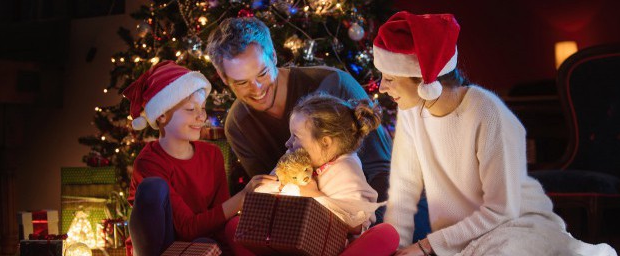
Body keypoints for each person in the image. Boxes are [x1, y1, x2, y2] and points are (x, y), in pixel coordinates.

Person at [374, 12, 618, 256]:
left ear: (422, 78)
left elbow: (500, 210)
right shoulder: (410, 113)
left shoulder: (485, 111)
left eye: (390, 78)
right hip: (460, 239)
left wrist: (426, 246)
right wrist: (394, 249)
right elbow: (403, 192)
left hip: (514, 225)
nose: (382, 87)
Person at [205, 17, 416, 227]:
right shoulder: (238, 125)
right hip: (309, 227)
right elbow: (274, 188)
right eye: (242, 82)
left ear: (274, 57)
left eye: (262, 73)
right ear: (224, 79)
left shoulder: (334, 85)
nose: (257, 88)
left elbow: (383, 169)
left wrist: (365, 233)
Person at [124, 61, 277, 255]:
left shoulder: (211, 154)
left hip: (199, 244)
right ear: (161, 115)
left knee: (207, 242)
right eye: (190, 109)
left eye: (203, 108)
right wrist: (243, 196)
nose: (201, 117)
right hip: (161, 246)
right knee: (153, 187)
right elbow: (187, 227)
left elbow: (220, 218)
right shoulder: (149, 163)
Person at [226, 93, 400, 256]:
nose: (288, 143)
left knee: (386, 235)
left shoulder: (346, 168)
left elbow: (356, 224)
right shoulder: (294, 158)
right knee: (235, 226)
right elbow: (273, 189)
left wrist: (313, 195)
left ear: (325, 142)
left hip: (328, 247)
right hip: (286, 237)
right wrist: (267, 188)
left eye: (296, 136)